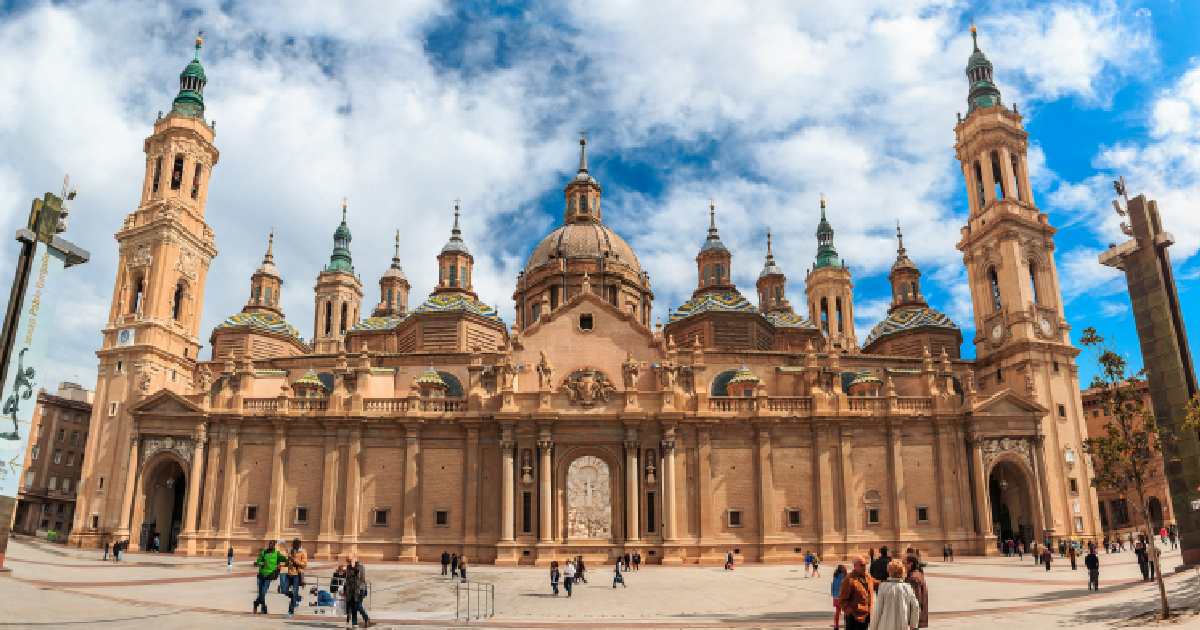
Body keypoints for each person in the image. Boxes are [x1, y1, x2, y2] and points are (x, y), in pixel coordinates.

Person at [869, 559, 920, 630]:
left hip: (884, 626)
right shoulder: (907, 587)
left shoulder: (883, 587)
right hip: (902, 625)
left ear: (889, 572)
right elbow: (916, 606)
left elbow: (878, 610)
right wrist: (913, 626)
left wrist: (872, 628)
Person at [837, 556, 876, 630]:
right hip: (854, 618)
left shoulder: (867, 577)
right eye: (862, 565)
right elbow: (842, 600)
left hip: (866, 616)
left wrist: (890, 581)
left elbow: (876, 584)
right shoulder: (849, 579)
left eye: (865, 565)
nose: (864, 567)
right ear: (855, 566)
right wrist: (852, 613)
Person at [252, 540, 286, 615]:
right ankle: (263, 608)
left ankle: (257, 604)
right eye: (269, 544)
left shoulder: (277, 554)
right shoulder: (264, 552)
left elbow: (284, 560)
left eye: (272, 544)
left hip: (269, 575)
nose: (270, 545)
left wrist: (280, 565)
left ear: (274, 546)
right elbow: (258, 561)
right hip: (261, 575)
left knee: (263, 592)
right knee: (261, 593)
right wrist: (260, 563)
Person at [344, 557, 371, 628]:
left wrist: (355, 570)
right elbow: (347, 579)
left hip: (359, 590)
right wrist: (345, 589)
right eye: (348, 562)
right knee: (353, 607)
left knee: (358, 606)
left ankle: (366, 618)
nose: (350, 563)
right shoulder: (348, 567)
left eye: (351, 561)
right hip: (351, 590)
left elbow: (361, 579)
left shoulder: (361, 567)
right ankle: (354, 623)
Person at [904, 555, 929, 629]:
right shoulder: (917, 574)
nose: (903, 565)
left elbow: (916, 599)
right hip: (917, 612)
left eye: (905, 563)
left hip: (914, 612)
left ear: (910, 564)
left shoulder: (913, 578)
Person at [286, 538, 308, 618]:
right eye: (293, 545)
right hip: (288, 573)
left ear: (299, 545)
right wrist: (287, 560)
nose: (294, 547)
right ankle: (297, 598)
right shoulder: (290, 551)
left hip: (297, 574)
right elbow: (287, 562)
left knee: (295, 591)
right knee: (284, 590)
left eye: (296, 545)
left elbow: (304, 564)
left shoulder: (303, 552)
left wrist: (294, 560)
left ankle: (290, 611)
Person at [831, 564, 848, 630]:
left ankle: (836, 625)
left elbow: (833, 585)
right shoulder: (844, 576)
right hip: (842, 597)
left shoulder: (835, 576)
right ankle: (846, 625)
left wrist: (833, 595)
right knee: (846, 612)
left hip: (835, 597)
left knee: (837, 611)